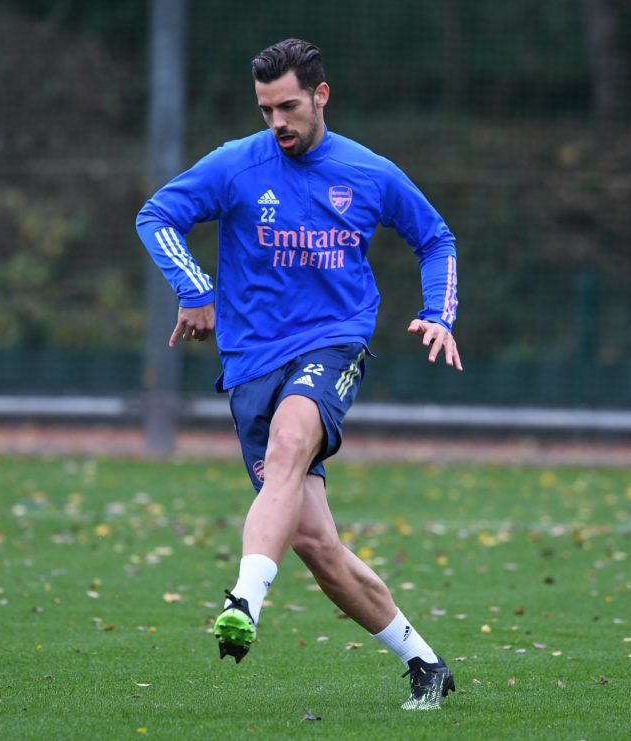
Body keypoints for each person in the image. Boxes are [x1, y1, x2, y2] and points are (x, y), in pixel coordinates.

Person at [136, 38, 461, 711]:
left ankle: (243, 602)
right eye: (265, 110)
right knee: (316, 544)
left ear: (321, 95)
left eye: (288, 106)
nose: (277, 122)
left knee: (291, 441)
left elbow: (435, 238)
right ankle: (425, 661)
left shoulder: (367, 172)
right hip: (252, 362)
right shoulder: (236, 165)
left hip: (333, 346)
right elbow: (157, 215)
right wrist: (194, 286)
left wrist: (440, 312)